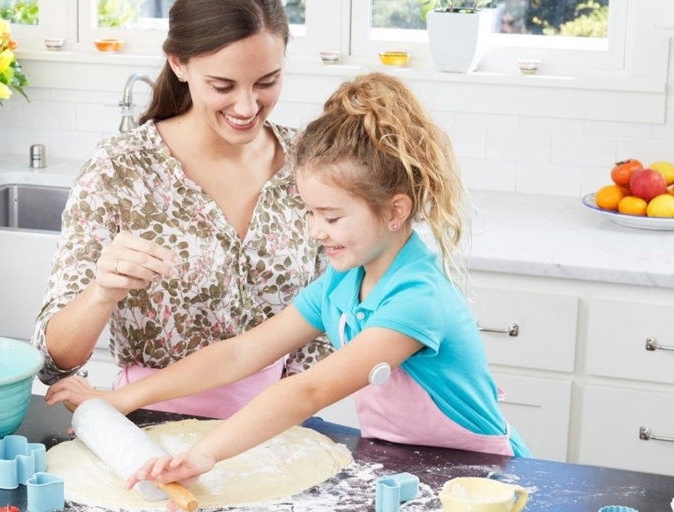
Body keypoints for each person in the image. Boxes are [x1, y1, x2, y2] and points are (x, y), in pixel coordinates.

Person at [47, 72, 532, 488]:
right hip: (406, 465)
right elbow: (242, 352)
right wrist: (121, 399)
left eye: (332, 217)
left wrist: (206, 455)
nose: (316, 231)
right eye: (310, 213)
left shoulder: (416, 297)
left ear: (395, 211)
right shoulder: (344, 284)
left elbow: (309, 392)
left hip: (480, 475)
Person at [31, 0, 332, 418]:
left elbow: (325, 325)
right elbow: (54, 363)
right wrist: (103, 292)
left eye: (267, 81)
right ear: (178, 63)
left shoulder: (310, 164)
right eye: (223, 86)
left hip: (278, 427)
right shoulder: (120, 169)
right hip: (147, 426)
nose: (247, 108)